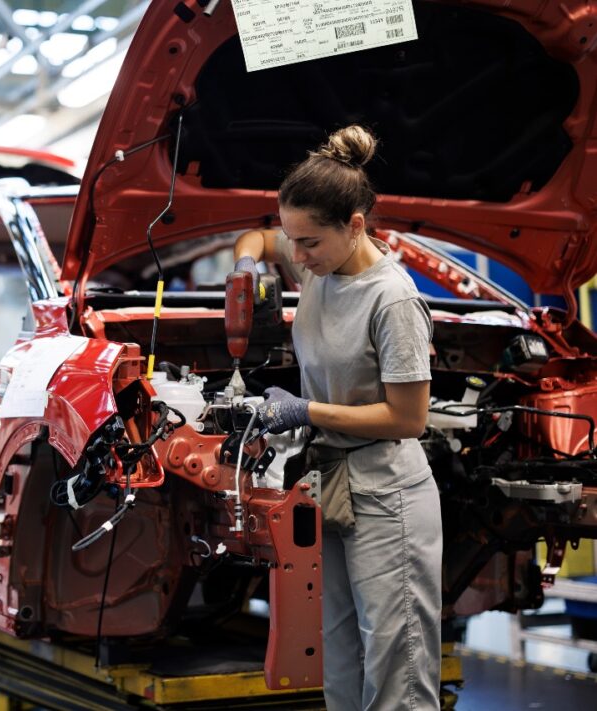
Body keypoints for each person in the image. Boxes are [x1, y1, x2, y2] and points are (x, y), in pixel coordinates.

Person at [233, 125, 442, 710]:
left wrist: (305, 409)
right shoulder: (320, 263)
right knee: (340, 648)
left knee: (394, 660)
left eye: (310, 244)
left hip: (387, 492)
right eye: (293, 242)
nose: (297, 258)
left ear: (355, 224)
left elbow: (409, 418)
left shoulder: (391, 301)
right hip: (331, 480)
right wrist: (247, 268)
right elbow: (257, 238)